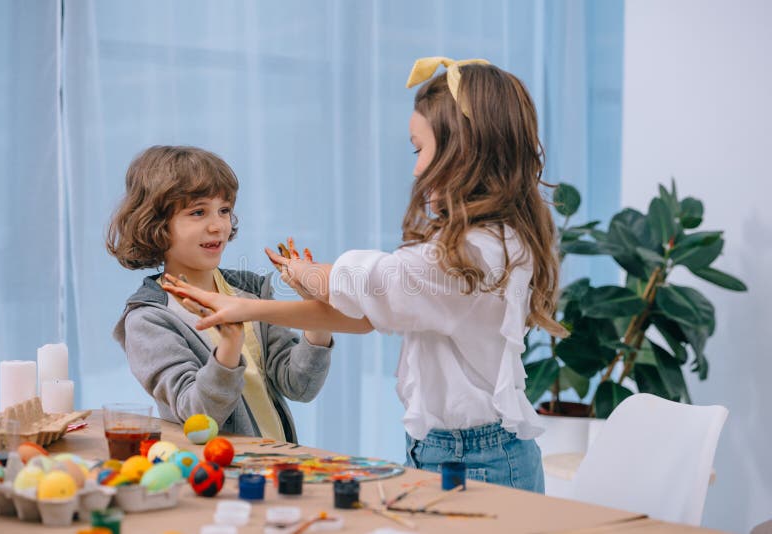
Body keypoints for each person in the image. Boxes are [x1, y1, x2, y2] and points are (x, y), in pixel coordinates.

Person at [163, 57, 568, 492]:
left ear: (463, 151)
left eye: (420, 149)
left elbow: (369, 284)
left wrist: (283, 287)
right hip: (448, 451)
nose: (416, 168)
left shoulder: (466, 256)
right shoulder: (488, 242)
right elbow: (366, 315)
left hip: (474, 460)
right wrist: (275, 299)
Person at [107, 145, 334, 443]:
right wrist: (228, 347)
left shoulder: (250, 293)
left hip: (276, 466)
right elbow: (196, 416)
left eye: (224, 210)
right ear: (158, 225)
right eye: (198, 212)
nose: (218, 226)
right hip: (218, 476)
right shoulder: (149, 319)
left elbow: (299, 385)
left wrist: (317, 309)